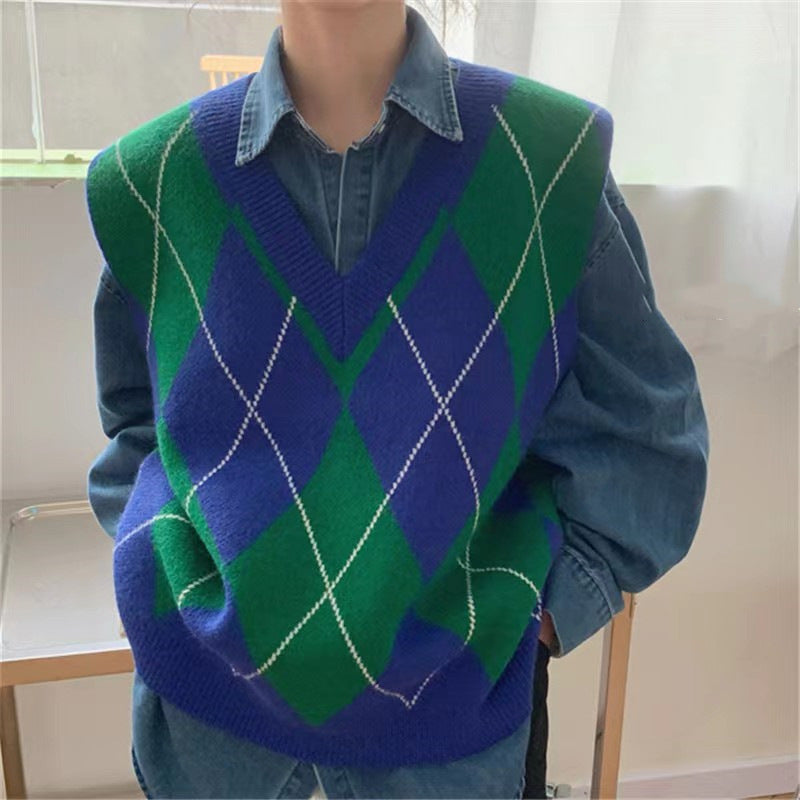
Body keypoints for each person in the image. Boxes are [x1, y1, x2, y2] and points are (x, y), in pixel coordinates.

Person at [85, 1, 709, 798]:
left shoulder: (545, 163)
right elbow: (140, 427)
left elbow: (649, 437)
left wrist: (540, 617)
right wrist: (153, 574)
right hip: (211, 740)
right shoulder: (152, 179)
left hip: (452, 746)